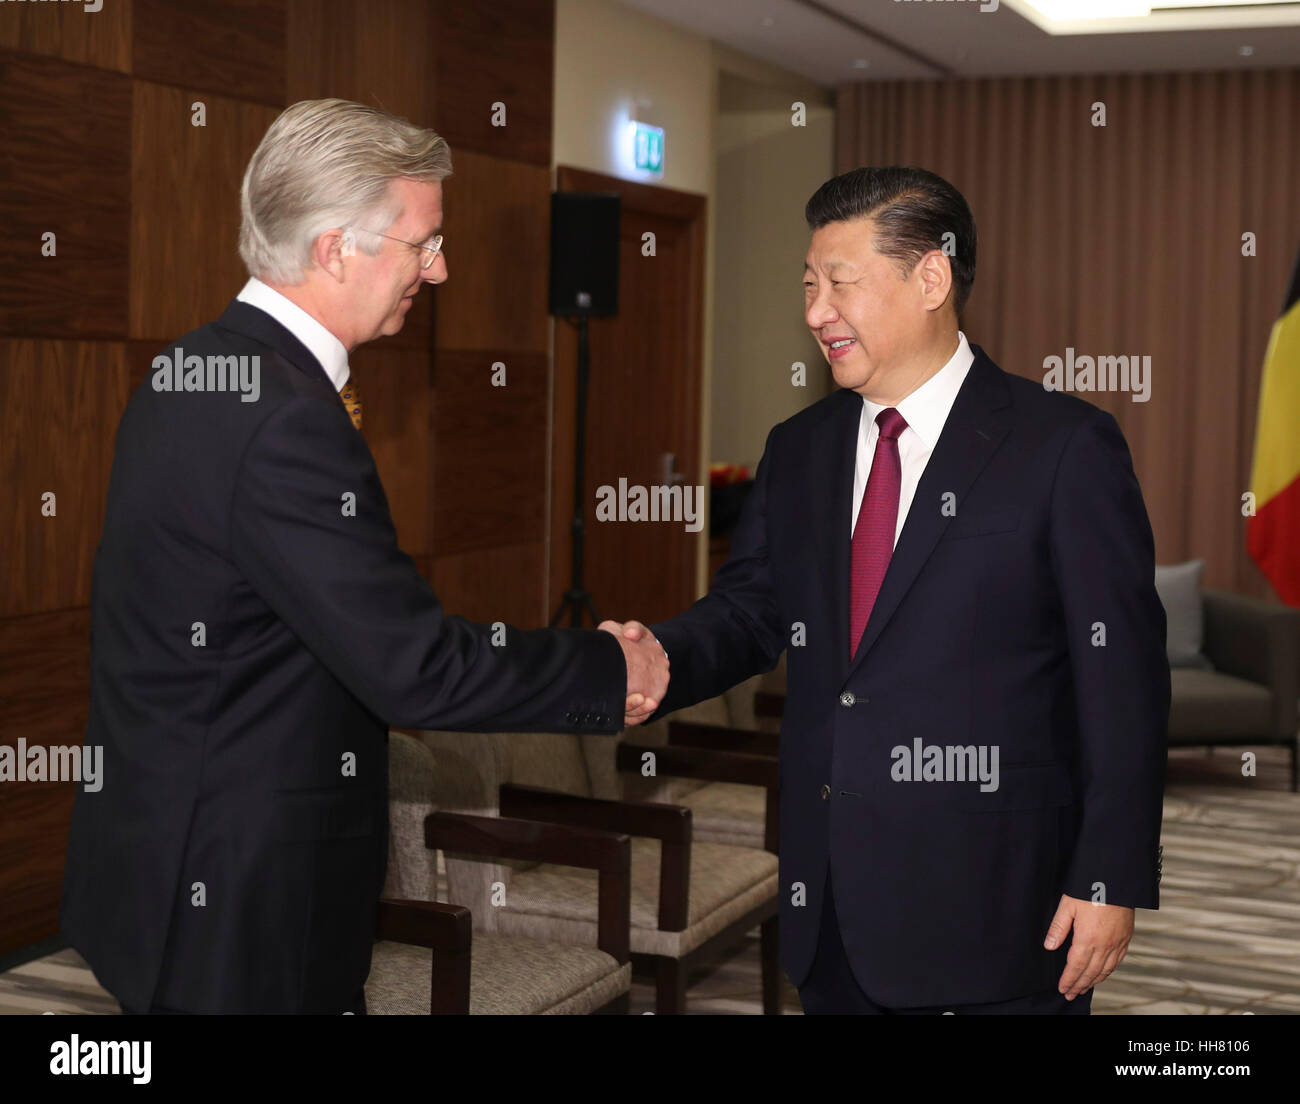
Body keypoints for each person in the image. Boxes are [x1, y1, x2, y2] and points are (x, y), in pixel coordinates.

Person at [59, 99, 668, 1015]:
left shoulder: (187, 369)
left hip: (163, 862)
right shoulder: (287, 418)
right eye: (423, 242)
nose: (442, 267)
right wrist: (602, 663)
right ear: (338, 248)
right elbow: (413, 667)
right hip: (243, 902)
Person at [616, 166, 1169, 1014]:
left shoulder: (1062, 447)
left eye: (839, 284)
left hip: (1002, 912)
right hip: (829, 904)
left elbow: (1122, 680)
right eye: (807, 286)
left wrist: (1110, 874)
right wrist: (664, 657)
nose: (814, 313)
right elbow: (753, 610)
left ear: (931, 278)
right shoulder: (798, 447)